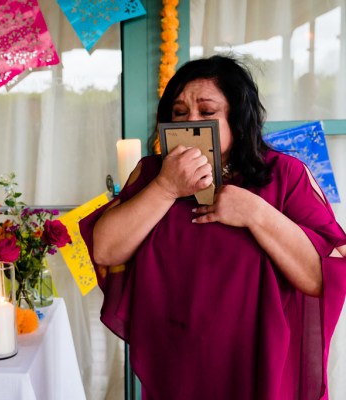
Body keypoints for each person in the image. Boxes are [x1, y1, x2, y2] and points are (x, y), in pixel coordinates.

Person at [79, 55, 346, 399]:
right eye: (179, 113)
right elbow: (105, 249)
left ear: (238, 118)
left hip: (259, 364)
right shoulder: (150, 174)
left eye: (207, 113)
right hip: (176, 366)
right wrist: (166, 187)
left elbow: (322, 276)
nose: (190, 123)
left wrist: (257, 214)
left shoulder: (285, 174)